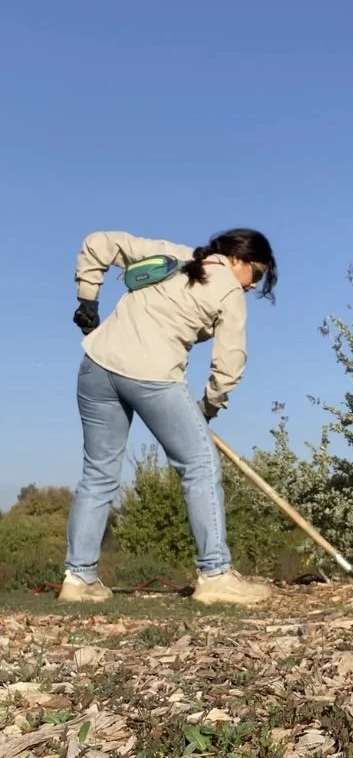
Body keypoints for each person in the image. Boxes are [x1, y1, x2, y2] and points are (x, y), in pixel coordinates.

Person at [62, 228, 277, 606]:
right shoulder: (227, 287)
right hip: (152, 374)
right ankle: (215, 576)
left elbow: (98, 242)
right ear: (239, 259)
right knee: (200, 465)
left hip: (95, 367)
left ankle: (78, 580)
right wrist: (207, 409)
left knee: (98, 473)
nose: (251, 287)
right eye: (256, 275)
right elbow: (229, 365)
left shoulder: (174, 254)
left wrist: (88, 299)